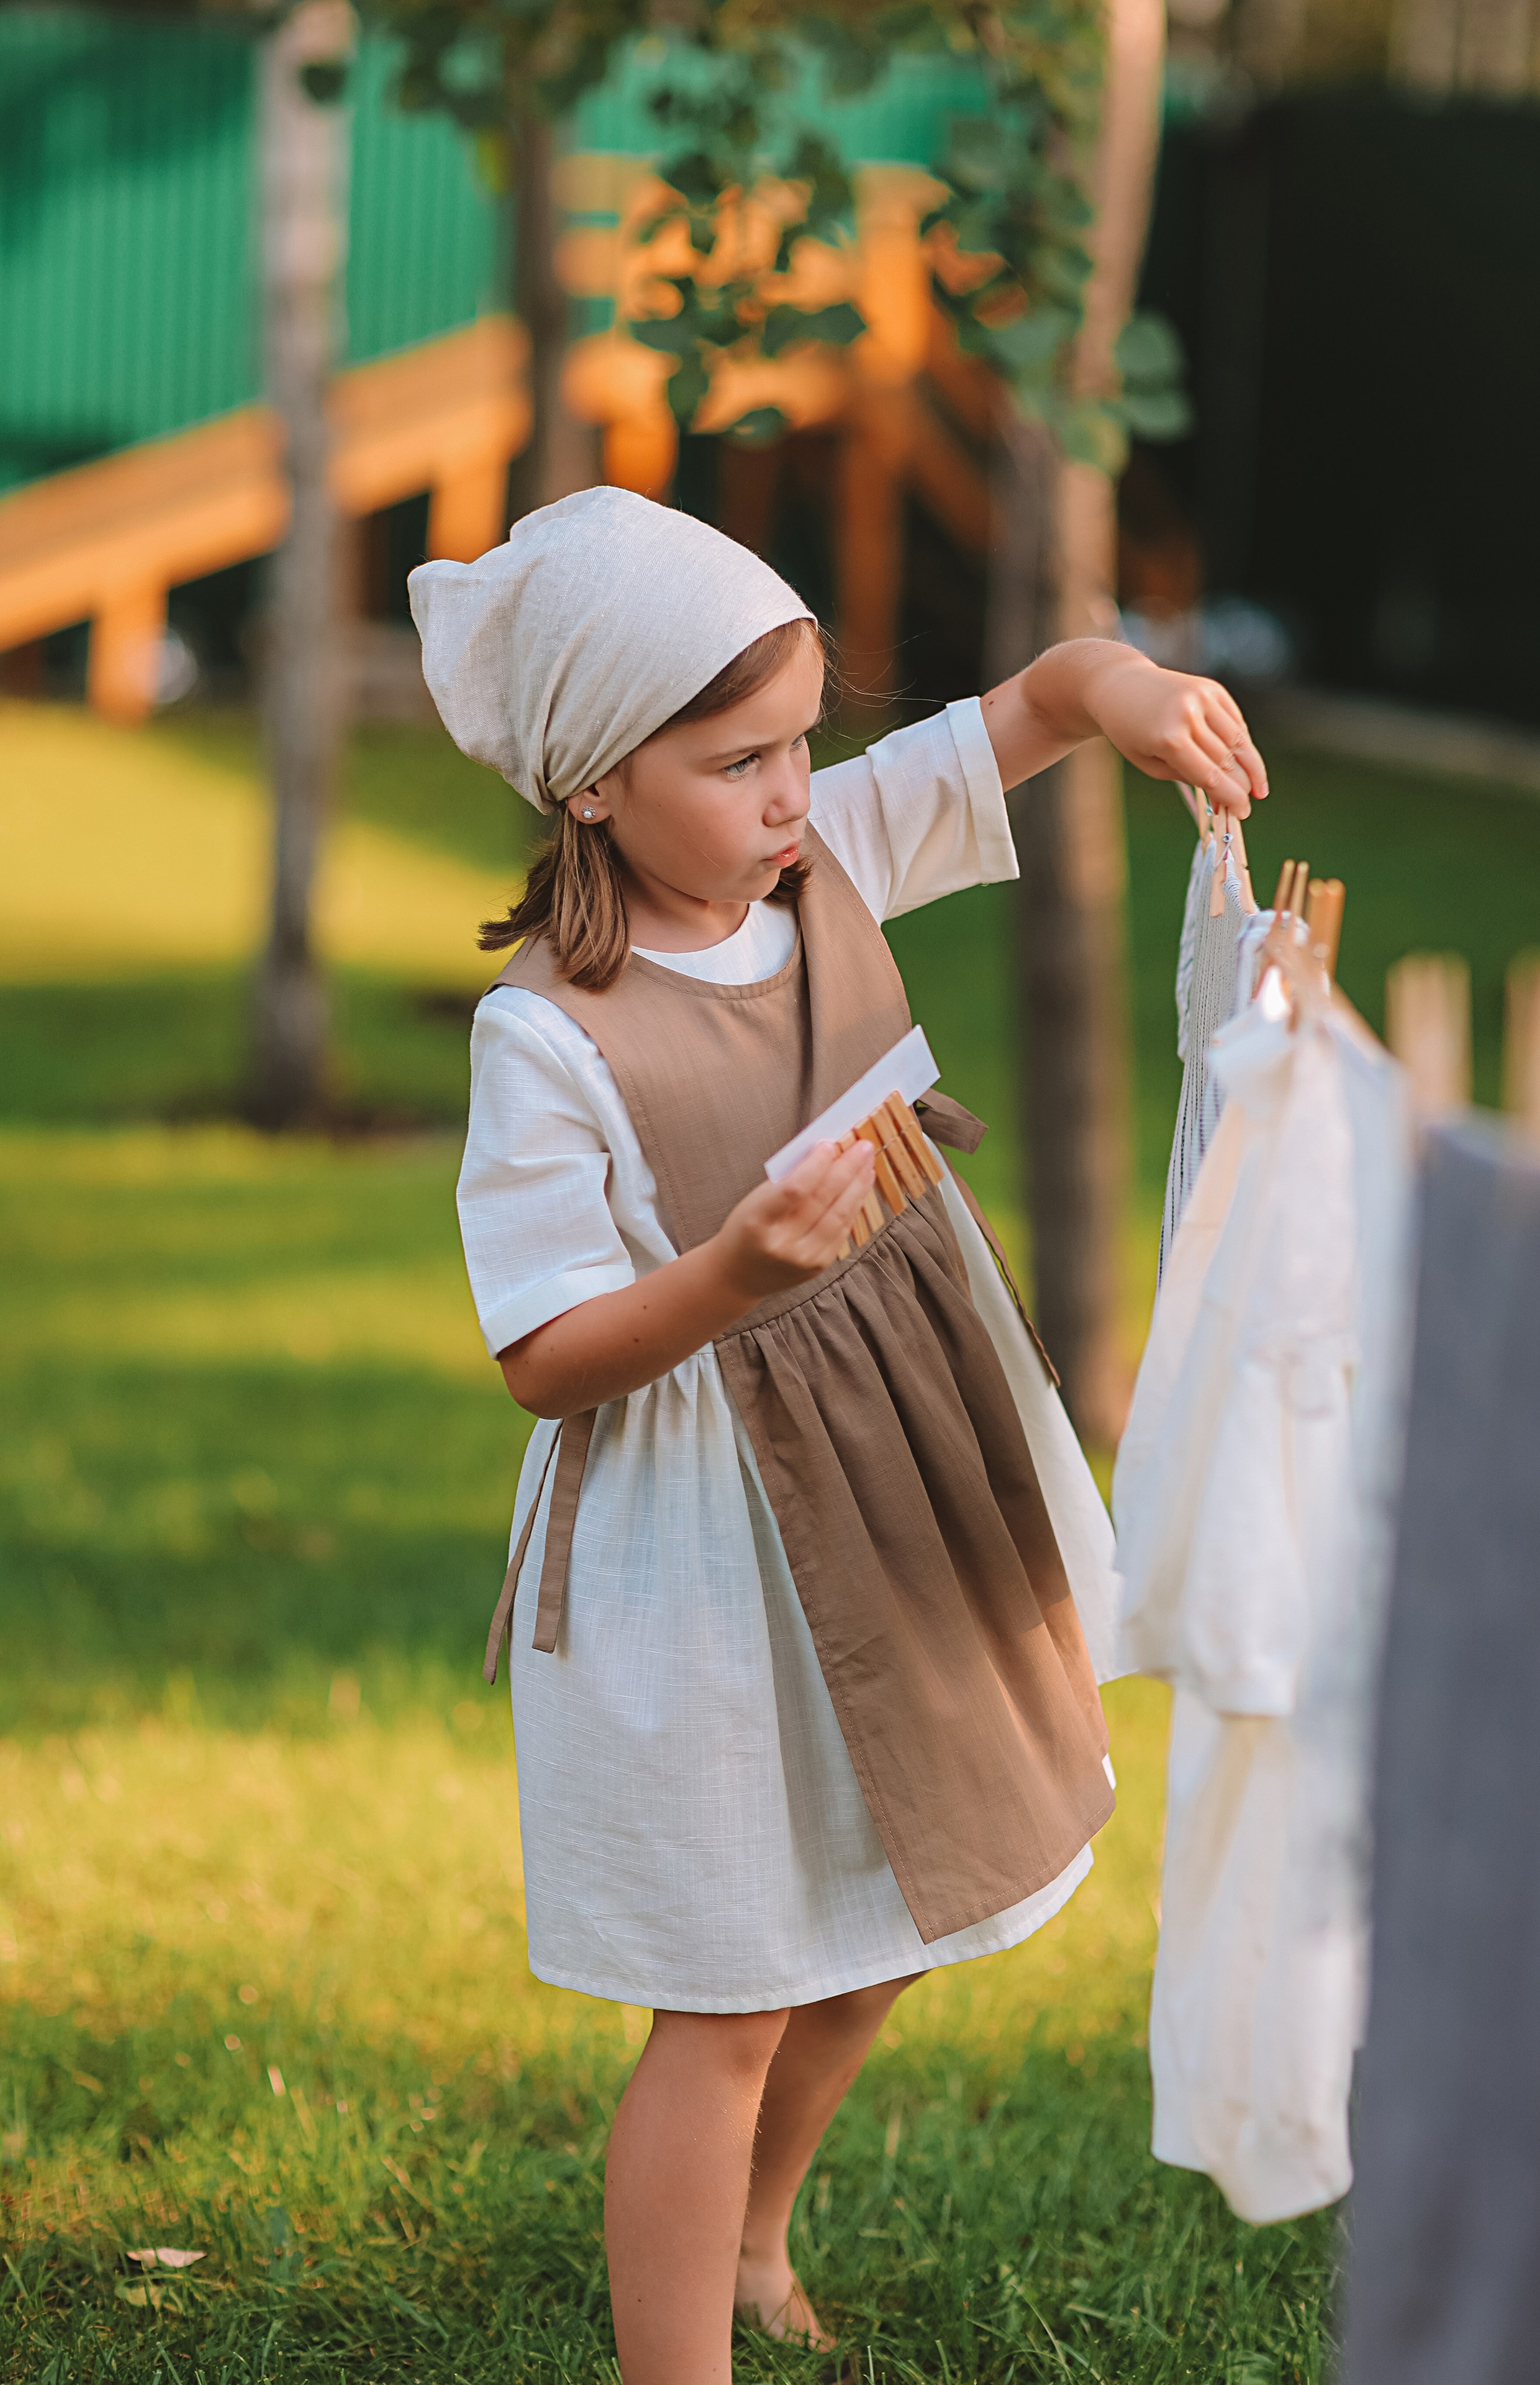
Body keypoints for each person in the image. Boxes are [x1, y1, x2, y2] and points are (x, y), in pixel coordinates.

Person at [410, 488, 1264, 2385]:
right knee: (729, 1991)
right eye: (739, 762)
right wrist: (730, 1274)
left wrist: (1123, 694)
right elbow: (550, 1356)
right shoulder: (550, 1039)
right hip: (714, 1543)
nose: (795, 790)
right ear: (592, 792)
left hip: (918, 1464)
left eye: (803, 739)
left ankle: (756, 2235)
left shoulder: (830, 860)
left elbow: (1035, 698)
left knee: (895, 1902)